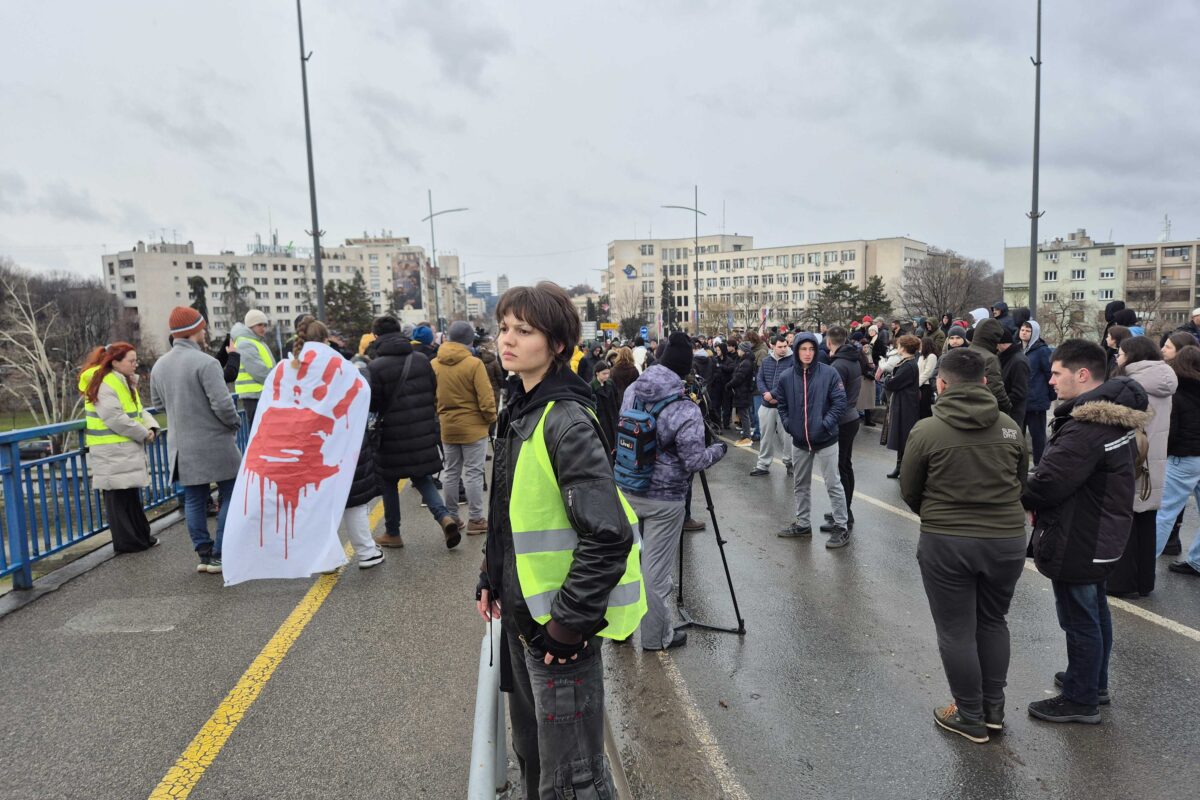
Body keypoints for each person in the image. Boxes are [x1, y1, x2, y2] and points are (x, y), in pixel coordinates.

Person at [476, 282, 644, 800]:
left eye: (524, 331)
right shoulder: (520, 406)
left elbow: (609, 535)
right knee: (534, 759)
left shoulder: (564, 420)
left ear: (556, 344)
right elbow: (510, 508)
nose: (507, 340)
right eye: (504, 328)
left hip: (557, 634)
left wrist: (568, 628)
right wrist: (491, 572)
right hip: (525, 618)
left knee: (572, 781)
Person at [900, 348, 1028, 743]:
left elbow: (910, 490)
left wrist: (938, 517)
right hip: (1006, 540)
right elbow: (1021, 481)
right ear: (985, 382)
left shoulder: (927, 430)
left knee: (956, 630)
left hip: (947, 540)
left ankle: (969, 714)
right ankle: (993, 710)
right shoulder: (1009, 426)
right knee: (993, 621)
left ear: (941, 383)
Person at [1022, 340, 1149, 725]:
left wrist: (1021, 491)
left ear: (1082, 375)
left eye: (1057, 373)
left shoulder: (1086, 427)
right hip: (1103, 531)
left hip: (1082, 534)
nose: (1051, 379)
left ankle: (1081, 699)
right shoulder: (1115, 416)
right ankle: (1093, 682)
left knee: (1079, 618)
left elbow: (1048, 483)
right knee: (1094, 610)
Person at [621, 332, 727, 651]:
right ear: (684, 371)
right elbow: (693, 460)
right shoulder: (684, 408)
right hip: (664, 498)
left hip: (627, 486)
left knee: (625, 566)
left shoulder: (631, 391)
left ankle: (618, 628)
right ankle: (656, 638)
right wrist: (718, 450)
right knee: (654, 573)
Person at [150, 307, 243, 574]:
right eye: (202, 328)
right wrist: (234, 423)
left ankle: (204, 553)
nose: (204, 332)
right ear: (193, 331)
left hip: (182, 446)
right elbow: (223, 405)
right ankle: (220, 553)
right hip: (215, 444)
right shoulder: (206, 363)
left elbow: (157, 404)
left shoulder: (160, 366)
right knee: (230, 493)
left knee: (194, 500)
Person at [366, 316, 460, 550]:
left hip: (390, 435)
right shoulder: (420, 360)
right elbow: (431, 389)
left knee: (389, 481)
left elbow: (373, 404)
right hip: (421, 429)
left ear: (376, 337)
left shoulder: (375, 367)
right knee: (422, 477)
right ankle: (444, 517)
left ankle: (393, 532)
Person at [1107, 337, 1176, 596]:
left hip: (1132, 458)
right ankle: (1144, 583)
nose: (1117, 357)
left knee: (1123, 523)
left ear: (1133, 356)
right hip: (1153, 459)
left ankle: (1121, 584)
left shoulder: (1131, 383)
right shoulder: (1165, 378)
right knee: (1146, 523)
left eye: (1121, 353)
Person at [80, 343, 162, 553]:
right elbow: (115, 418)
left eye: (136, 360)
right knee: (120, 499)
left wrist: (151, 425)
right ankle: (130, 542)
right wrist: (144, 432)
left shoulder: (119, 380)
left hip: (120, 448)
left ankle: (139, 539)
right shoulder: (107, 382)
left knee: (128, 496)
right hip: (111, 449)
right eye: (131, 361)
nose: (136, 365)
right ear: (115, 362)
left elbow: (136, 410)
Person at [775, 333, 850, 548]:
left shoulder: (829, 373)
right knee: (801, 484)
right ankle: (803, 523)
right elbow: (782, 405)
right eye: (803, 349)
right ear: (796, 350)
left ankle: (841, 526)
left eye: (811, 349)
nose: (807, 353)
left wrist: (824, 424)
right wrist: (790, 426)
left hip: (826, 439)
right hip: (799, 441)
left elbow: (839, 403)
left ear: (816, 351)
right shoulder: (787, 377)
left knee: (833, 483)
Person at [432, 321, 498, 536]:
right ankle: (476, 519)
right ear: (470, 340)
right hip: (474, 426)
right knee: (474, 473)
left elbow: (432, 395)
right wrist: (490, 419)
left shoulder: (434, 364)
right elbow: (486, 397)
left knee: (451, 472)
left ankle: (451, 516)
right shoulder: (473, 364)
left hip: (447, 425)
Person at [1155, 346, 1200, 574]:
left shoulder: (1177, 392)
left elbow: (1171, 431)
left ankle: (1143, 563)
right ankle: (1198, 561)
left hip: (1183, 457)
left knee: (1165, 513)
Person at [824, 327, 862, 531]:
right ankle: (844, 509)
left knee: (840, 468)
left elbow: (833, 397)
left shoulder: (838, 365)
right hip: (851, 417)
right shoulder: (852, 359)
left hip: (842, 419)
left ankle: (844, 513)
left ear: (829, 342)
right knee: (845, 466)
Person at [750, 336, 794, 477]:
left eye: (785, 346)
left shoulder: (793, 361)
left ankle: (790, 463)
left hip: (784, 406)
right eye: (780, 346)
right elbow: (760, 378)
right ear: (772, 346)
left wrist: (774, 395)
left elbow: (790, 381)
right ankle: (763, 465)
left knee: (787, 438)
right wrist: (765, 393)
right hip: (766, 404)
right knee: (766, 437)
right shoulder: (766, 361)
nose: (783, 349)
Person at [883, 335, 921, 479]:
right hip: (903, 402)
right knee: (901, 436)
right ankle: (900, 466)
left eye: (899, 345)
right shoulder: (907, 362)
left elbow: (892, 383)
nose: (897, 348)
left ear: (904, 348)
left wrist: (887, 379)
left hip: (906, 405)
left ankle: (904, 468)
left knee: (904, 437)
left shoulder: (908, 365)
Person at [231, 309, 276, 427]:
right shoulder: (245, 343)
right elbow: (259, 371)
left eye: (265, 325)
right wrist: (277, 381)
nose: (263, 329)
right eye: (259, 325)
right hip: (254, 396)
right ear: (250, 326)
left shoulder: (255, 341)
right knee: (260, 433)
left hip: (260, 394)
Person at [1021, 320, 1055, 466]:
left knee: (1038, 436)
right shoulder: (1018, 349)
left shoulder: (1042, 350)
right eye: (1022, 330)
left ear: (1034, 333)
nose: (1024, 332)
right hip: (1021, 400)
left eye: (1028, 331)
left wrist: (1050, 395)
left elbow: (1049, 373)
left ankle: (1040, 465)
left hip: (1036, 400)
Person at [968, 318, 1013, 415]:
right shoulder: (990, 358)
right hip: (983, 409)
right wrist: (1008, 407)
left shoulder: (964, 352)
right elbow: (996, 389)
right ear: (994, 338)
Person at [997, 328, 1030, 435]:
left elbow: (1019, 392)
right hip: (1006, 412)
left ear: (1000, 343)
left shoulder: (1018, 361)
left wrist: (1002, 403)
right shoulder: (1005, 356)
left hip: (1013, 413)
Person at [729, 341, 757, 447]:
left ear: (744, 351)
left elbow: (739, 377)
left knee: (744, 415)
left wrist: (729, 384)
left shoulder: (746, 362)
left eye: (739, 349)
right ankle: (746, 435)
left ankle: (747, 438)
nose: (738, 351)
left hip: (743, 392)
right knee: (744, 414)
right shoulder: (745, 361)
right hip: (743, 391)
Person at [590, 363, 620, 461]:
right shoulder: (591, 387)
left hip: (613, 417)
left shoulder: (610, 383)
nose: (607, 376)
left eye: (608, 373)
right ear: (597, 373)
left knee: (615, 441)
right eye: (604, 374)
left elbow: (617, 399)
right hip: (602, 420)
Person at [917, 336, 939, 420]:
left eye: (921, 344)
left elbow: (928, 372)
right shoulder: (921, 356)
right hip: (920, 385)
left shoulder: (932, 356)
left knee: (925, 408)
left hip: (926, 385)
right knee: (920, 408)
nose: (920, 346)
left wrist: (918, 383)